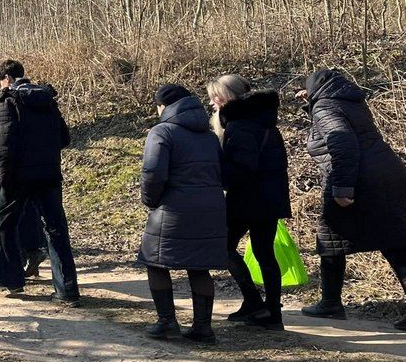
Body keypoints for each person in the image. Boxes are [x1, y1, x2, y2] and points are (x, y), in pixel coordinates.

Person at [296, 69, 406, 330]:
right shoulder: (348, 102)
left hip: (359, 180)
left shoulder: (324, 107)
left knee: (332, 237)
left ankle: (331, 303)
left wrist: (343, 188)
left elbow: (342, 142)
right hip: (389, 175)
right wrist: (311, 103)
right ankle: (330, 302)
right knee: (394, 241)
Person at [139, 84, 227, 344]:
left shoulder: (162, 132)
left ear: (163, 106)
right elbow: (222, 171)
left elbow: (153, 173)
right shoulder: (209, 134)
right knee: (198, 266)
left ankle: (167, 322)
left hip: (173, 209)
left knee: (155, 260)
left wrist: (150, 200)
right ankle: (203, 327)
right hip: (211, 208)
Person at [208, 75, 292, 330]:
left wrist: (219, 172)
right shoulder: (266, 120)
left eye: (215, 98)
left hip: (247, 198)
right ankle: (272, 312)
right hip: (271, 197)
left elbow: (243, 168)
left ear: (228, 98)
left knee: (223, 246)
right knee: (265, 253)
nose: (212, 104)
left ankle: (255, 302)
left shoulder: (240, 125)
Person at [0, 59, 78, 300]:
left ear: (7, 78)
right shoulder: (48, 100)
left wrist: (4, 181)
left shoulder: (9, 100)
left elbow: (5, 146)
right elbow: (64, 138)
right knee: (56, 229)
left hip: (19, 177)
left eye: (0, 82)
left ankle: (11, 281)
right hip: (49, 175)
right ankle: (67, 290)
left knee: (4, 224)